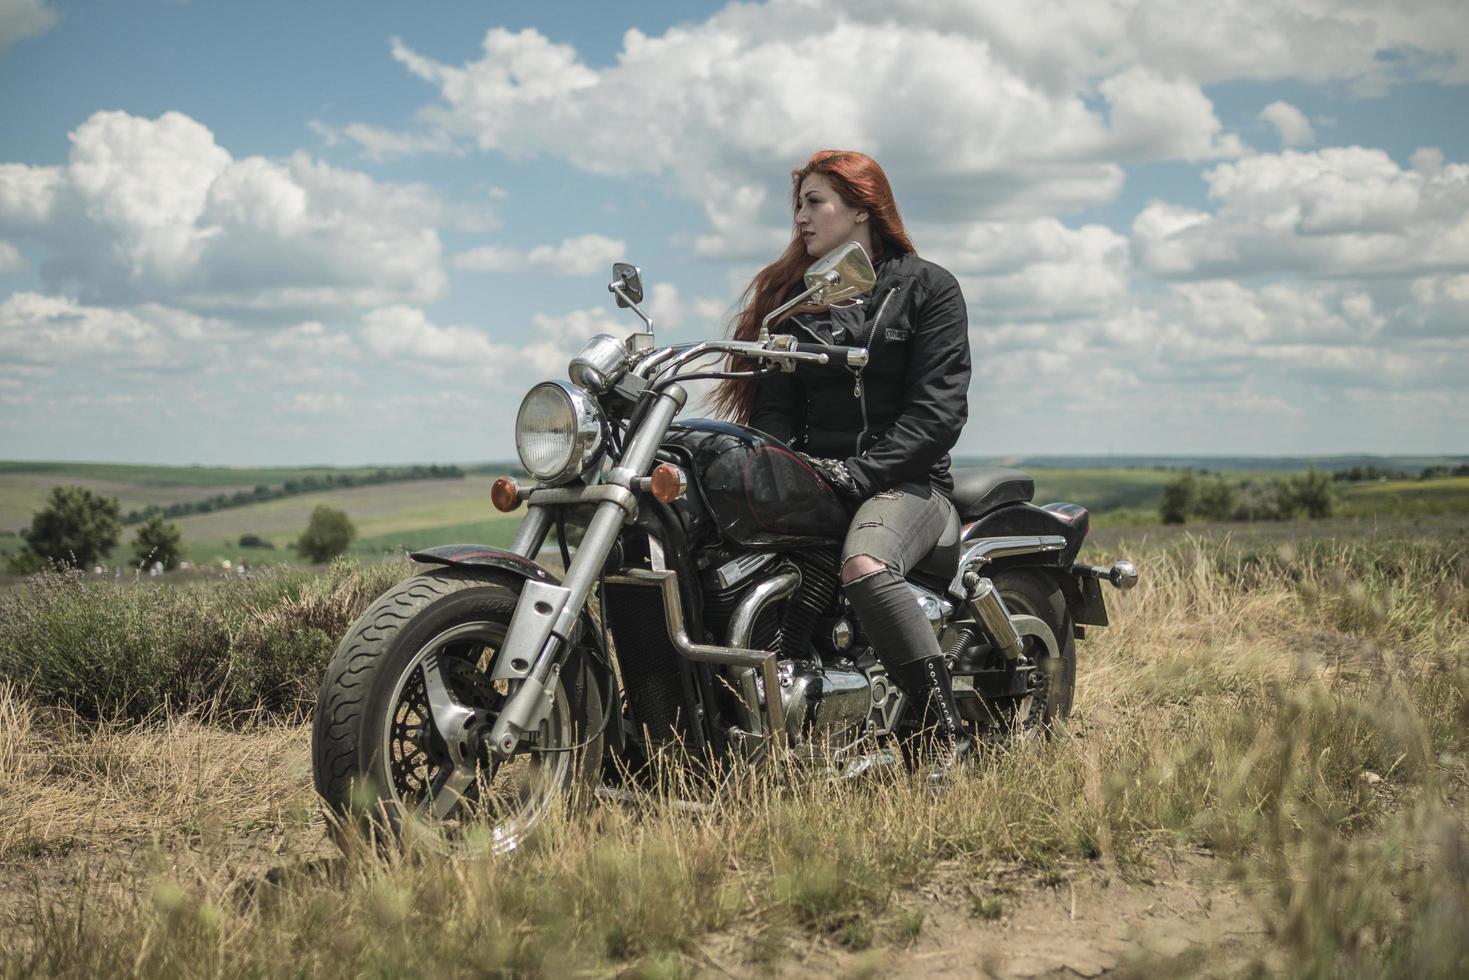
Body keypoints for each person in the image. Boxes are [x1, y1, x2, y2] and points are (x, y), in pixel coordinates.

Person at [711, 149, 973, 778]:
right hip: (819, 482)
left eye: (815, 202)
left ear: (862, 207)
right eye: (797, 205)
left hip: (908, 484)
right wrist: (778, 469)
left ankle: (942, 731)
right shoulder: (792, 302)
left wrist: (859, 474)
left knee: (864, 562)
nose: (800, 218)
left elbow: (937, 415)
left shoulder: (928, 288)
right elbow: (773, 414)